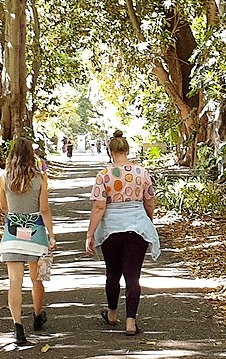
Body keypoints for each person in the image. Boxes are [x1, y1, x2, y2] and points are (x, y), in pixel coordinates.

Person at [85, 131, 160, 336]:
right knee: (133, 276)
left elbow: (99, 207)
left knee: (113, 273)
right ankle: (130, 322)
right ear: (127, 150)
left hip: (111, 229)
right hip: (137, 226)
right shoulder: (142, 172)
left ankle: (112, 314)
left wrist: (90, 234)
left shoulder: (103, 175)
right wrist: (148, 220)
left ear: (110, 152)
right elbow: (150, 201)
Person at [0, 137, 57, 346]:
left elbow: (3, 207)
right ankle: (37, 315)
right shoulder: (39, 179)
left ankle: (17, 327)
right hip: (36, 233)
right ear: (31, 155)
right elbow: (45, 209)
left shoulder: (4, 178)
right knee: (37, 279)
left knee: (15, 281)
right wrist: (51, 235)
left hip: (12, 233)